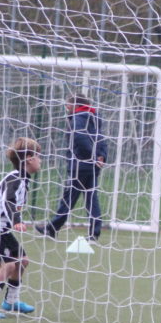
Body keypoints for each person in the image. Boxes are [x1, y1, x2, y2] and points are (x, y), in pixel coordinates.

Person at [0, 137, 42, 318]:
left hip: (1, 227)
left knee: (22, 261)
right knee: (10, 265)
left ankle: (11, 302)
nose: (40, 160)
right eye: (38, 156)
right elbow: (8, 200)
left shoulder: (23, 179)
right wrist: (16, 220)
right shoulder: (16, 178)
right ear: (29, 158)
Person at [37, 95, 107, 243]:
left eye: (68, 105)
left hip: (80, 166)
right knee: (90, 198)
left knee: (68, 198)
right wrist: (102, 156)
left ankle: (52, 229)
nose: (66, 108)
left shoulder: (78, 118)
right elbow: (101, 139)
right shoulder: (94, 118)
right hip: (93, 166)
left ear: (75, 106)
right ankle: (94, 233)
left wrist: (93, 157)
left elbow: (80, 138)